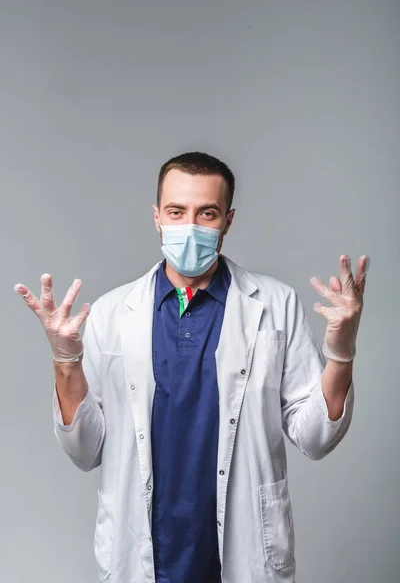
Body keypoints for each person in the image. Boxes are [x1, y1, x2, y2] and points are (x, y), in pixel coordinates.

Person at [14, 151, 370, 583]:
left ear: (228, 221)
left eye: (207, 213)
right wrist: (65, 361)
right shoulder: (111, 313)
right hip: (143, 552)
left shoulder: (275, 306)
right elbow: (85, 450)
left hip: (243, 553)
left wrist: (342, 353)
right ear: (157, 217)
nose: (190, 227)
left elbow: (315, 438)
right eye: (176, 211)